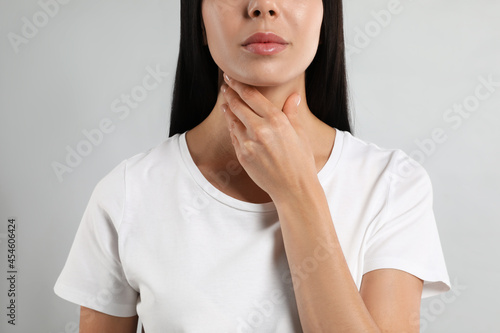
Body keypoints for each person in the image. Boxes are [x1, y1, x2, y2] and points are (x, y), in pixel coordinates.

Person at [54, 0, 451, 332]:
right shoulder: (126, 194)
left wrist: (296, 192)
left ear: (326, 13)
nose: (262, 6)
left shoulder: (393, 186)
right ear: (199, 18)